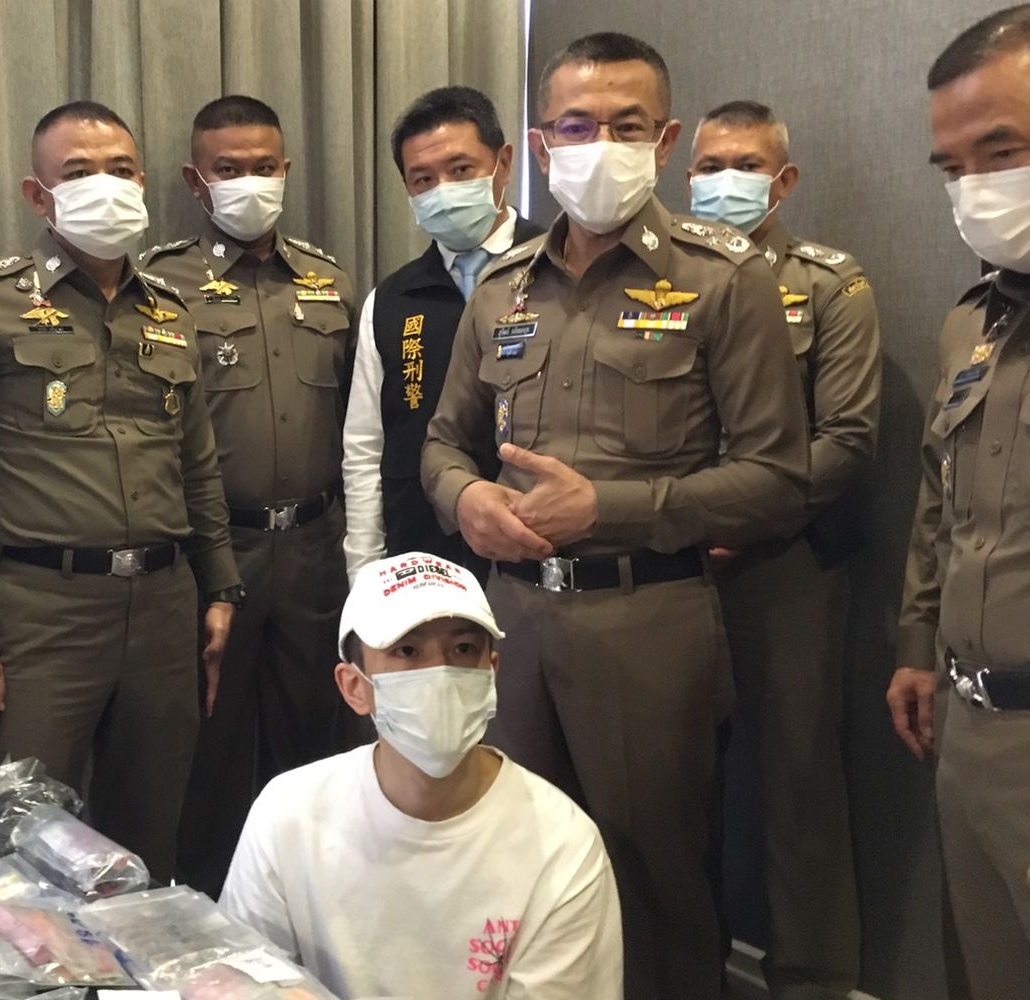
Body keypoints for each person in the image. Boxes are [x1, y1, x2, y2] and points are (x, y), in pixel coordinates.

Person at [421, 32, 810, 1000]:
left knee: (655, 879)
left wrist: (614, 507)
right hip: (512, 621)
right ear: (542, 142)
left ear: (666, 139)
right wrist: (465, 496)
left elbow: (776, 478)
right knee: (514, 869)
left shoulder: (726, 279)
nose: (599, 143)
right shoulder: (502, 287)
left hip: (651, 621)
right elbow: (440, 443)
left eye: (626, 126)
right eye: (576, 124)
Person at [0, 100, 242, 880]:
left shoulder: (170, 309)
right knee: (17, 847)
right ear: (39, 196)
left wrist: (220, 586)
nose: (107, 185)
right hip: (42, 613)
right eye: (79, 172)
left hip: (165, 610)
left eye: (122, 170)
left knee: (148, 844)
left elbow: (198, 463)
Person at [221, 552, 622, 1000]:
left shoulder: (562, 847)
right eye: (407, 651)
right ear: (355, 686)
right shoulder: (287, 814)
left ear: (492, 672)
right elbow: (238, 979)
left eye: (463, 649)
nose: (441, 674)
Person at [139, 95, 356, 897]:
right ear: (197, 182)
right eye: (229, 170)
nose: (250, 183)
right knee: (209, 749)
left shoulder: (330, 281)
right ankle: (208, 913)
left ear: (288, 170)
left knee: (317, 737)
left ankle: (312, 911)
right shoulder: (159, 286)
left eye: (264, 167)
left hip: (313, 549)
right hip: (211, 554)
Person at [688, 100, 881, 1000]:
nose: (723, 179)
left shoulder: (831, 284)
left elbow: (843, 441)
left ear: (783, 179)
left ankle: (812, 978)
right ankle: (684, 966)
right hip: (669, 567)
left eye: (745, 162)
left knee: (797, 782)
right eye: (708, 163)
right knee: (672, 780)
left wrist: (739, 524)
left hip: (783, 568)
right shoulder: (662, 278)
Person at [889, 6, 1030, 993]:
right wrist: (916, 642)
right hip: (973, 729)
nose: (976, 186)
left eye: (1003, 148)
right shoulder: (973, 322)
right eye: (953, 165)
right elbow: (943, 505)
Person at [343, 86, 542, 585]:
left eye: (460, 171)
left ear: (504, 163)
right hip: (424, 560)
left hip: (542, 551)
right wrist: (365, 575)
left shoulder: (558, 265)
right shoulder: (390, 300)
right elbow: (366, 448)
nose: (443, 191)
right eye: (423, 180)